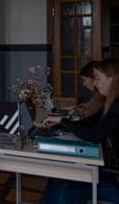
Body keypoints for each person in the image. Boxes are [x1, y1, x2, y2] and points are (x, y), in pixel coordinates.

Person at [40, 57, 119, 204]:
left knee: (61, 180)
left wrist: (63, 121)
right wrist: (56, 124)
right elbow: (88, 123)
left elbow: (94, 135)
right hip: (111, 171)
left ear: (112, 78)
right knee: (61, 176)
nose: (95, 83)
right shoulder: (111, 102)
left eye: (98, 78)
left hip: (114, 181)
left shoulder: (116, 106)